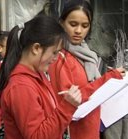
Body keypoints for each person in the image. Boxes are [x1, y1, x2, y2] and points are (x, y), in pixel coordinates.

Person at [47, 1, 125, 139]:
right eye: (73, 24)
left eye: (85, 26)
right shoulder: (59, 57)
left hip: (92, 128)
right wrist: (108, 78)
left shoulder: (87, 53)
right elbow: (69, 99)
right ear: (61, 23)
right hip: (75, 131)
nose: (78, 31)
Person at [0, 16, 82, 139]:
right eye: (54, 52)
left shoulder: (37, 75)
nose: (56, 58)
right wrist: (67, 107)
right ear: (36, 48)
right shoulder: (21, 87)